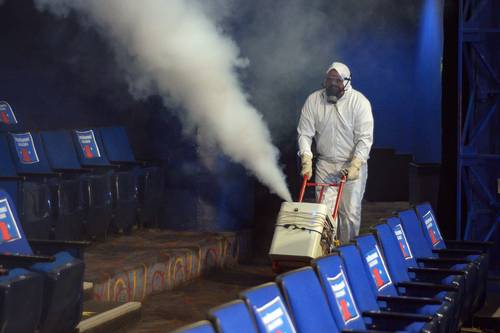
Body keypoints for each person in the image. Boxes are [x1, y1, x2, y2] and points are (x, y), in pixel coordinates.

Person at [297, 61, 373, 244]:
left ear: (347, 82)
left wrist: (356, 164)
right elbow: (304, 133)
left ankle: (346, 252)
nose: (332, 84)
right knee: (324, 213)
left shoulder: (359, 102)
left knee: (350, 214)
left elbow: (365, 138)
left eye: (337, 80)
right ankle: (326, 254)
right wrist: (306, 157)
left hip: (351, 165)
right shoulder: (314, 100)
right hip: (325, 164)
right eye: (329, 80)